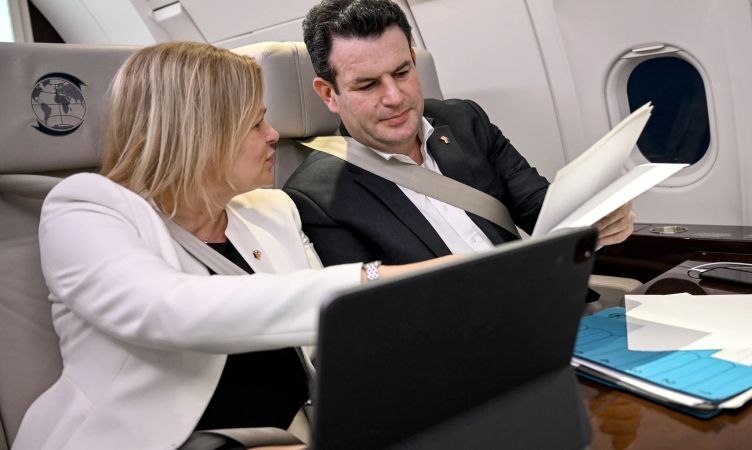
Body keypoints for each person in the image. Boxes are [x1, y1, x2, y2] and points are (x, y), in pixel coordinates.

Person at [12, 42, 445, 450]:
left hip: (290, 433)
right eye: (255, 122)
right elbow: (170, 310)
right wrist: (370, 278)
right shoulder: (86, 209)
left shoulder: (272, 211)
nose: (274, 134)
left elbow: (329, 345)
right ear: (197, 133)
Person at [282, 0, 635, 266]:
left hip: (547, 301)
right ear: (329, 94)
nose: (394, 97)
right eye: (368, 85)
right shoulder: (316, 197)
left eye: (402, 72)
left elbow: (542, 211)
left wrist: (594, 218)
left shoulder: (464, 121)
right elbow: (379, 317)